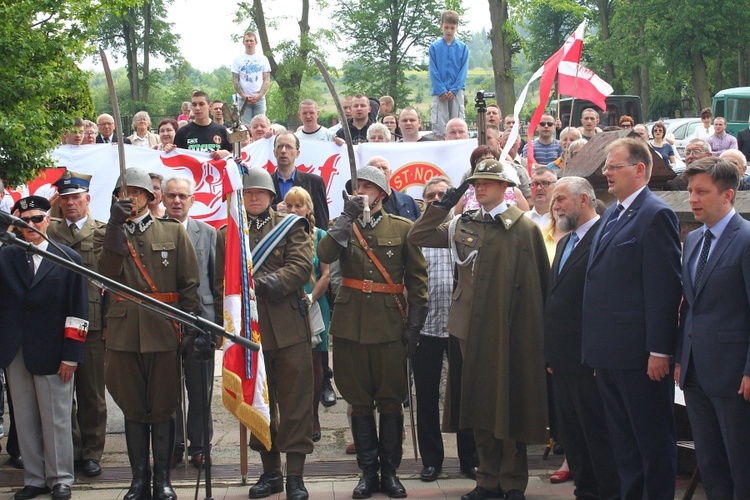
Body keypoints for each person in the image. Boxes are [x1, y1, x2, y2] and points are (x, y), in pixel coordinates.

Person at [408, 159, 549, 500]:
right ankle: (487, 479)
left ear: (505, 188)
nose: (479, 187)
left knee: (509, 406)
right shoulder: (462, 224)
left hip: (509, 329)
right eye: (475, 183)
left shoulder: (522, 228)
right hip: (468, 328)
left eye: (487, 182)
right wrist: (443, 204)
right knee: (480, 406)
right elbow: (419, 235)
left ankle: (513, 481)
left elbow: (541, 285)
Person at [318, 165, 428, 499]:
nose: (361, 190)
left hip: (390, 326)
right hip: (351, 327)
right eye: (356, 186)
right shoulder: (342, 228)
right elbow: (324, 255)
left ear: (382, 193)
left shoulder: (403, 228)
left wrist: (414, 326)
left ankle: (391, 472)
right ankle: (368, 472)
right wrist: (343, 219)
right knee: (359, 401)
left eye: (368, 186)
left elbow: (418, 281)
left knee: (391, 402)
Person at [582, 138, 681, 499]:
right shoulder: (611, 212)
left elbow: (663, 288)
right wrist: (595, 350)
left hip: (641, 356)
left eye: (613, 166)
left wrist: (659, 349)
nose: (606, 172)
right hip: (609, 353)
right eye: (606, 166)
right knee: (623, 442)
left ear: (639, 170)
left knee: (651, 441)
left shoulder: (656, 215)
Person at [98, 167, 201, 500]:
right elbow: (105, 273)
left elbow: (189, 283)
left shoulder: (171, 233)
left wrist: (190, 326)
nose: (128, 199)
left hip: (163, 330)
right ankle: (138, 480)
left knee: (163, 407)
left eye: (135, 192)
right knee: (133, 409)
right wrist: (115, 225)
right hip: (124, 332)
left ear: (149, 196)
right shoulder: (110, 233)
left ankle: (163, 479)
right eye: (121, 193)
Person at [215, 168, 314, 500]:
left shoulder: (291, 226)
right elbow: (222, 286)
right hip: (247, 335)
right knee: (258, 401)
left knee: (295, 403)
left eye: (260, 192)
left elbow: (301, 268)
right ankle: (270, 472)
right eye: (248, 193)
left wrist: (263, 284)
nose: (254, 197)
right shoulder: (227, 233)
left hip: (287, 328)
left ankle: (296, 476)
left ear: (272, 196)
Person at [0, 195, 88, 500]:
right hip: (17, 350)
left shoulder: (66, 258)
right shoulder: (6, 256)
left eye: (37, 219)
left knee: (57, 418)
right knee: (23, 418)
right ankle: (35, 478)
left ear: (48, 219)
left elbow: (79, 311)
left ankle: (61, 477)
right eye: (25, 221)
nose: (32, 226)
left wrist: (72, 356)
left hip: (54, 351)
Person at [675, 157, 750, 499]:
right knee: (710, 463)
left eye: (702, 191)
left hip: (734, 376)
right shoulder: (692, 240)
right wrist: (680, 359)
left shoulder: (746, 240)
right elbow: (689, 306)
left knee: (741, 464)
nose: (693, 199)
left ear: (728, 195)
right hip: (694, 374)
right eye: (691, 191)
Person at [545, 177, 620, 500]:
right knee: (573, 435)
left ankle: (606, 493)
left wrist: (598, 354)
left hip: (590, 358)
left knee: (597, 435)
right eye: (553, 200)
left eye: (561, 199)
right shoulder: (564, 242)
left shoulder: (605, 238)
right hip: (562, 361)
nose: (555, 206)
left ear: (585, 200)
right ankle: (585, 491)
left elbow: (607, 301)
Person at [48, 171, 108, 479]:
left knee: (92, 391)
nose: (71, 203)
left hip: (92, 320)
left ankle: (92, 451)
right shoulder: (50, 231)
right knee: (61, 390)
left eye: (76, 197)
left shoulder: (101, 232)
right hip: (56, 320)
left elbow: (112, 280)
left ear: (87, 198)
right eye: (65, 198)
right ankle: (69, 448)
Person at [162, 175, 218, 470]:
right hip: (165, 323)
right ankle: (172, 446)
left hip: (201, 323)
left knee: (199, 392)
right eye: (171, 196)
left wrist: (220, 326)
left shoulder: (208, 233)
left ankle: (200, 447)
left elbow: (216, 279)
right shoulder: (153, 232)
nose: (176, 201)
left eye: (183, 196)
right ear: (162, 199)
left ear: (192, 201)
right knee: (168, 391)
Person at [411, 176, 462, 483]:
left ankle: (470, 457)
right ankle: (432, 460)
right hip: (426, 328)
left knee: (463, 394)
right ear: (424, 202)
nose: (438, 198)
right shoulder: (416, 235)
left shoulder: (465, 231)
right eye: (432, 195)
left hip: (459, 327)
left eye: (444, 194)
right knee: (427, 396)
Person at [283, 186, 331, 444]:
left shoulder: (321, 235)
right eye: (289, 205)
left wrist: (312, 298)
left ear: (309, 209)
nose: (293, 210)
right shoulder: (278, 235)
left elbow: (326, 274)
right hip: (287, 307)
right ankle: (294, 416)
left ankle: (313, 415)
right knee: (291, 364)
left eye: (298, 205)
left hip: (314, 304)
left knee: (314, 364)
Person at [269, 132, 330, 231]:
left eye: (289, 147)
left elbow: (322, 222)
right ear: (274, 152)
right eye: (280, 147)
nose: (283, 151)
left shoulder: (314, 182)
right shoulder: (266, 183)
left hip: (305, 242)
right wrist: (274, 209)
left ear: (297, 153)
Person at [429, 9, 468, 138]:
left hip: (456, 92)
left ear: (456, 27)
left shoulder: (462, 48)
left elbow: (463, 70)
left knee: (458, 123)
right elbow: (433, 70)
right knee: (439, 124)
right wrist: (441, 89)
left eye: (452, 27)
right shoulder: (434, 47)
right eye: (446, 27)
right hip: (439, 92)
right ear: (441, 26)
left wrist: (455, 89)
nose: (449, 30)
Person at [174, 91, 231, 159]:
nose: (197, 108)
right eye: (194, 105)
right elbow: (176, 160)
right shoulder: (182, 132)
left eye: (201, 104)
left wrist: (228, 154)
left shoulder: (222, 131)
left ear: (210, 106)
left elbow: (234, 159)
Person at [232, 31, 271, 126]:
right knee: (246, 127)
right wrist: (243, 95)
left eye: (251, 41)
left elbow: (266, 79)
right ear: (243, 42)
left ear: (256, 42)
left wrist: (260, 95)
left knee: (261, 125)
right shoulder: (237, 60)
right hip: (243, 99)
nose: (249, 43)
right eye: (247, 41)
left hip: (259, 99)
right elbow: (235, 80)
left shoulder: (263, 59)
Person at [368, 156, 421, 221]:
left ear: (390, 173)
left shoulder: (408, 201)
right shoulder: (364, 203)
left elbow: (421, 227)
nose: (381, 171)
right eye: (377, 168)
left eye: (384, 168)